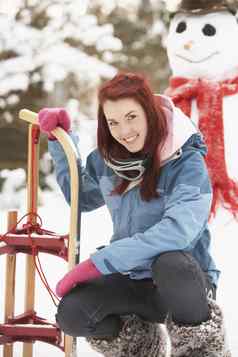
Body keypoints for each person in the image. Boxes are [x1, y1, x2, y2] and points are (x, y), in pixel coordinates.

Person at [38, 73, 230, 357]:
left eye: (131, 117)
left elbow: (177, 233)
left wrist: (99, 263)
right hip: (132, 279)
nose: (124, 131)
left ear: (149, 113)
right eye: (113, 122)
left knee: (171, 262)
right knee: (73, 315)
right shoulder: (110, 160)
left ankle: (200, 351)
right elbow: (80, 198)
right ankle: (142, 348)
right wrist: (60, 140)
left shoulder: (187, 162)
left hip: (183, 284)